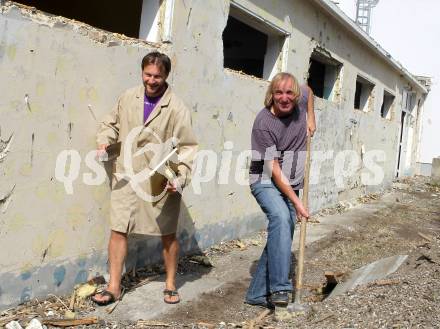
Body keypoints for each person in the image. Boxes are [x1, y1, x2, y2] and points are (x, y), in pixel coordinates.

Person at [92, 51, 198, 305]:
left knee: (167, 234)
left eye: (157, 77)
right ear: (142, 73)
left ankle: (171, 283)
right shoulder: (128, 97)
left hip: (160, 180)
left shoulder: (177, 108)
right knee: (118, 229)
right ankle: (114, 286)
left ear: (166, 76)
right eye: (148, 75)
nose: (151, 81)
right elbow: (111, 123)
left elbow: (188, 147)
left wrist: (180, 177)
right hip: (127, 175)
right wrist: (104, 141)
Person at [245, 72, 315, 308]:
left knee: (281, 233)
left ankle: (256, 294)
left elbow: (309, 91)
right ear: (271, 95)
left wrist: (311, 118)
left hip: (291, 180)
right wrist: (297, 202)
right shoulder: (263, 124)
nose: (285, 98)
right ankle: (280, 289)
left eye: (289, 93)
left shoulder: (301, 97)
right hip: (264, 178)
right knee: (281, 218)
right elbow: (273, 169)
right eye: (278, 93)